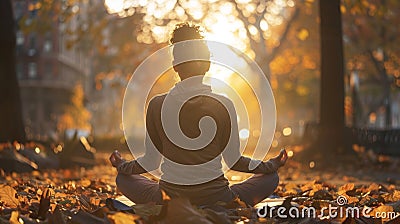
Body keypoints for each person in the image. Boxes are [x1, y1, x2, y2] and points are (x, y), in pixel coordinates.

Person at [110, 22, 288, 207]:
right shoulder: (224, 104)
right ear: (208, 65)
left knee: (123, 179)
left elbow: (150, 161)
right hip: (218, 198)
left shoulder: (157, 104)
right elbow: (234, 161)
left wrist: (122, 166)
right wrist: (271, 166)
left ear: (175, 66)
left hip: (168, 199)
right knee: (271, 178)